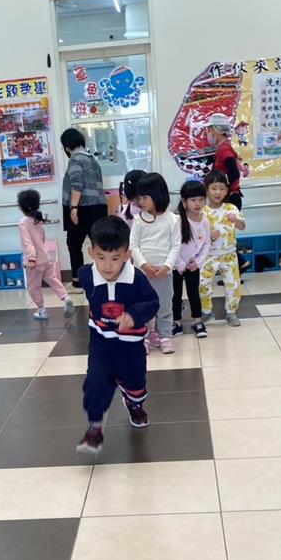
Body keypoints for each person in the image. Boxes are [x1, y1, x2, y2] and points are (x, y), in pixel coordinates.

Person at [75, 216, 159, 455]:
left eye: (115, 258)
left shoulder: (136, 279)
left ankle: (134, 405)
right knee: (95, 383)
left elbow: (152, 302)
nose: (107, 266)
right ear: (91, 253)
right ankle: (95, 427)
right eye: (100, 257)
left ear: (126, 255)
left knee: (135, 382)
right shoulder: (87, 275)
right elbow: (84, 277)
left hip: (130, 345)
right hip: (101, 343)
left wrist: (134, 315)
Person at [130, 172, 182, 354]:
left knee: (165, 305)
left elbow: (176, 246)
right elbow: (133, 245)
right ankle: (144, 336)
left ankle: (165, 336)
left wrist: (167, 267)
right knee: (142, 305)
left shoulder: (173, 219)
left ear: (157, 195)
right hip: (142, 273)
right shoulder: (138, 220)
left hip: (163, 273)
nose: (141, 201)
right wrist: (144, 265)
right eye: (139, 198)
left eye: (145, 197)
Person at [60, 128, 107, 290]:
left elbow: (77, 184)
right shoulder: (92, 159)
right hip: (99, 207)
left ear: (67, 146)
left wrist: (73, 208)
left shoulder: (75, 160)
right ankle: (106, 275)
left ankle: (77, 280)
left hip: (82, 207)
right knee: (100, 244)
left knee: (73, 244)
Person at [17, 188, 74, 320]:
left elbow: (27, 243)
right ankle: (66, 298)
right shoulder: (38, 220)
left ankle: (41, 310)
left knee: (34, 287)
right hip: (45, 257)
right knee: (52, 279)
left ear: (21, 206)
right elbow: (42, 239)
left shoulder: (23, 223)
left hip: (34, 261)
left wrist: (31, 258)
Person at [200, 170, 246, 327]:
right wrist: (209, 235)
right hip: (208, 255)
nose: (218, 192)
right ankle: (206, 311)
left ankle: (231, 312)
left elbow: (242, 226)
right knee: (203, 283)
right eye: (214, 188)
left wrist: (236, 220)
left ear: (226, 190)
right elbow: (197, 235)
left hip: (229, 255)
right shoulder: (202, 211)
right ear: (206, 190)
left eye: (221, 188)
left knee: (233, 285)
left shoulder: (231, 208)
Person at [172, 179, 210, 338]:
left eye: (201, 199)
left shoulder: (205, 220)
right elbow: (172, 245)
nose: (198, 203)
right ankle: (176, 322)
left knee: (194, 293)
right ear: (184, 201)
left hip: (193, 264)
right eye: (193, 200)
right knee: (175, 294)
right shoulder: (177, 220)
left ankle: (198, 321)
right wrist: (179, 264)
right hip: (176, 265)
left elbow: (207, 243)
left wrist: (198, 262)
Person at [206, 113, 242, 207]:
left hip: (230, 198)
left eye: (209, 129)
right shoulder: (222, 148)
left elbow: (234, 173)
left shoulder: (224, 149)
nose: (208, 133)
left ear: (216, 130)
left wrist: (220, 187)